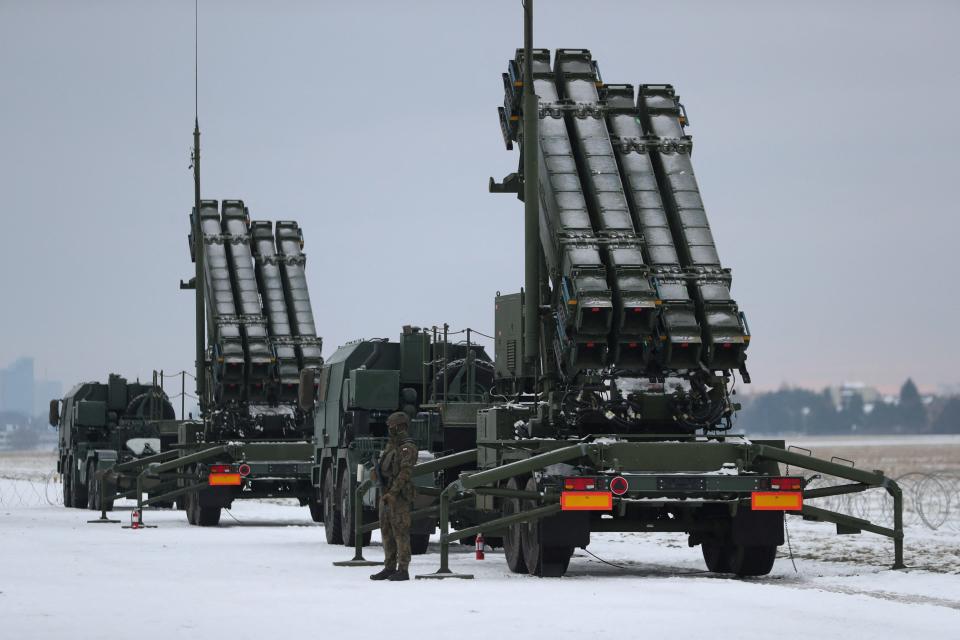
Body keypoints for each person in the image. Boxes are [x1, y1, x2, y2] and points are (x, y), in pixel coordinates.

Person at [370, 411, 418, 581]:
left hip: (398, 497)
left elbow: (405, 473)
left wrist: (393, 493)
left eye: (392, 427)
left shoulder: (407, 447)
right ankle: (389, 567)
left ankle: (403, 569)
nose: (390, 429)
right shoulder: (391, 445)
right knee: (386, 532)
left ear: (400, 427)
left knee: (401, 533)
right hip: (386, 494)